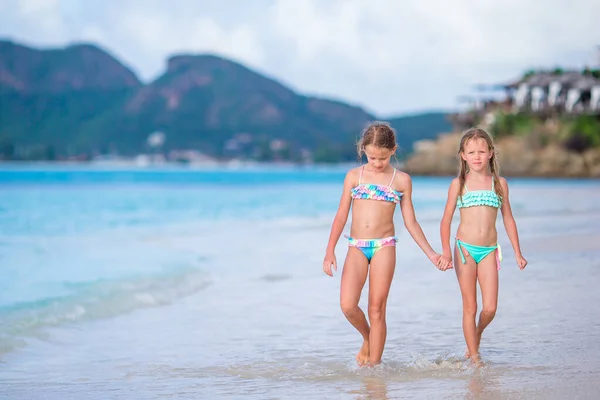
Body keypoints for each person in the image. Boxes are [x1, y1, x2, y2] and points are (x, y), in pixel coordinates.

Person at [322, 121, 450, 367]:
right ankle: (368, 338)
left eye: (382, 158)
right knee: (348, 305)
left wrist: (432, 254)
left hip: (384, 246)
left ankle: (375, 371)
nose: (377, 163)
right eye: (372, 157)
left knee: (377, 309)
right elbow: (341, 216)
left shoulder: (401, 180)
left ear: (393, 150)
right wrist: (329, 252)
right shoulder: (354, 176)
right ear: (363, 151)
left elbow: (411, 222)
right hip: (356, 245)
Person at [439, 127, 528, 367]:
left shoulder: (500, 184)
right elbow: (446, 220)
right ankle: (475, 357)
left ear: (490, 153)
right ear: (463, 155)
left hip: (489, 250)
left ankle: (475, 336)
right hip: (464, 250)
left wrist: (518, 252)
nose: (476, 156)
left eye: (481, 151)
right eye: (471, 152)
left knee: (489, 308)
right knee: (471, 305)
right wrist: (446, 252)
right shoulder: (458, 184)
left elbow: (508, 219)